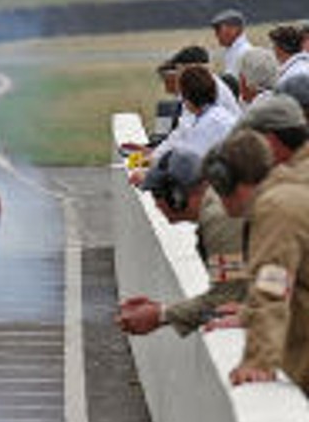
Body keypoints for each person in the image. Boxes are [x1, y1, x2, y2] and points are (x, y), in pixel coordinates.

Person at [208, 129, 309, 393]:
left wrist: (258, 361)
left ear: (227, 181)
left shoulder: (276, 208)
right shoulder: (291, 188)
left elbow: (273, 285)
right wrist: (247, 313)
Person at [117, 148, 246, 337]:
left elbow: (227, 299)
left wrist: (161, 314)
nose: (156, 204)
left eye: (157, 195)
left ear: (176, 195)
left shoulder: (220, 219)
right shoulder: (220, 208)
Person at [213, 8, 253, 90]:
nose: (216, 35)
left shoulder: (244, 52)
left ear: (234, 29)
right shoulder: (232, 50)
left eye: (219, 30)